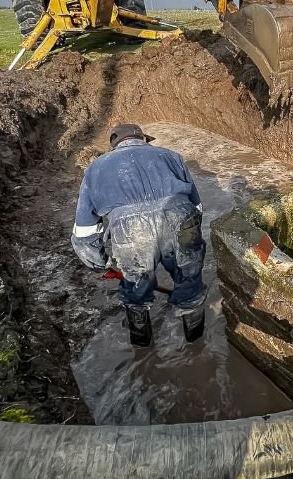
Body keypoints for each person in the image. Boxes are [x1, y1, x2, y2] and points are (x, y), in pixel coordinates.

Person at [71, 124, 207, 346]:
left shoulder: (95, 169)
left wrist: (101, 264)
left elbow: (84, 233)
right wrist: (191, 242)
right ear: (143, 138)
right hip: (181, 220)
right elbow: (197, 208)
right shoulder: (172, 156)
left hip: (132, 231)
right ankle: (197, 345)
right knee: (190, 285)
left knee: (136, 292)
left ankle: (142, 349)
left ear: (114, 145)